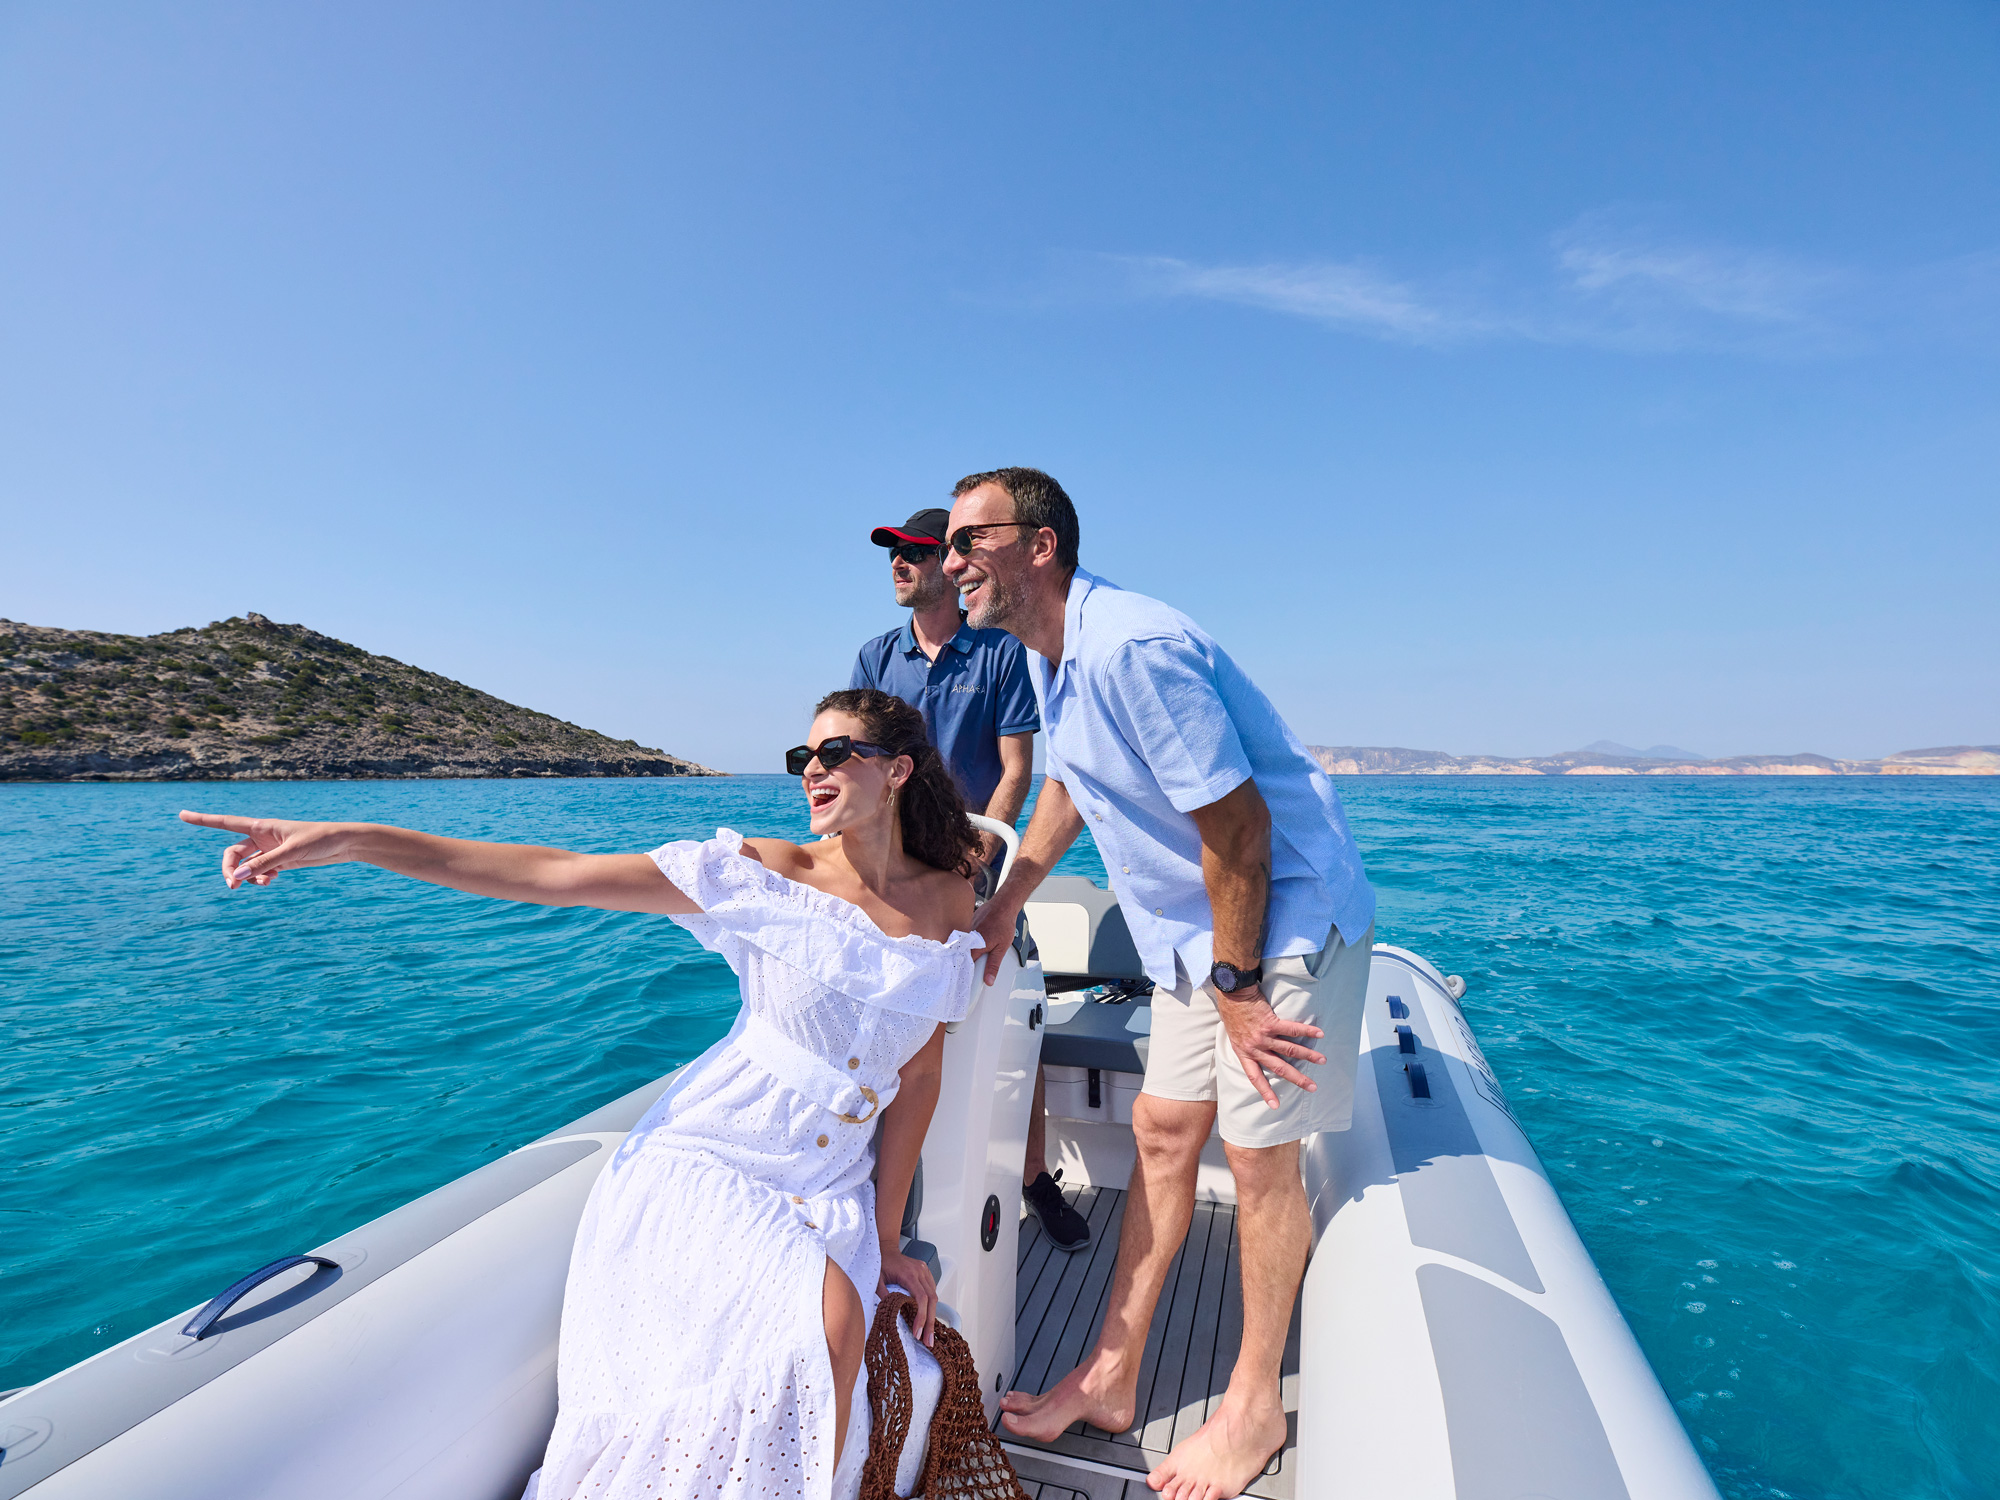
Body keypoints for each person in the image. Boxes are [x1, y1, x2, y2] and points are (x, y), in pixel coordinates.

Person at [179, 688, 984, 1500]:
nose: (811, 769)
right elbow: (558, 875)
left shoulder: (949, 900)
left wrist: (887, 1236)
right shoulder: (767, 874)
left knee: (838, 1348)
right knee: (831, 1328)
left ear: (897, 771)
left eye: (835, 753)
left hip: (828, 1182)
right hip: (714, 1159)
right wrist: (355, 840)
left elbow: (919, 1075)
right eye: (802, 757)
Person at [941, 468, 1376, 1500]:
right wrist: (1005, 902)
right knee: (1162, 1128)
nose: (950, 561)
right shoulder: (1047, 651)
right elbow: (1067, 785)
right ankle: (1110, 1373)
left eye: (969, 540)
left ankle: (1253, 1405)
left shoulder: (1131, 649)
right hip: (1199, 930)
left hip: (1282, 920)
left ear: (1039, 545)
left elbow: (1241, 830)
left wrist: (1238, 987)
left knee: (1257, 1155)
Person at [851, 507, 1089, 1254]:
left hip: (975, 867)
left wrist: (975, 856)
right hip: (892, 875)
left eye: (914, 553)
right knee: (885, 1021)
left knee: (1016, 1015)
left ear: (948, 566)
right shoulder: (874, 657)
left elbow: (1018, 770)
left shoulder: (999, 653)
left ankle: (1033, 1177)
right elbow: (855, 764)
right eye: (892, 554)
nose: (899, 564)